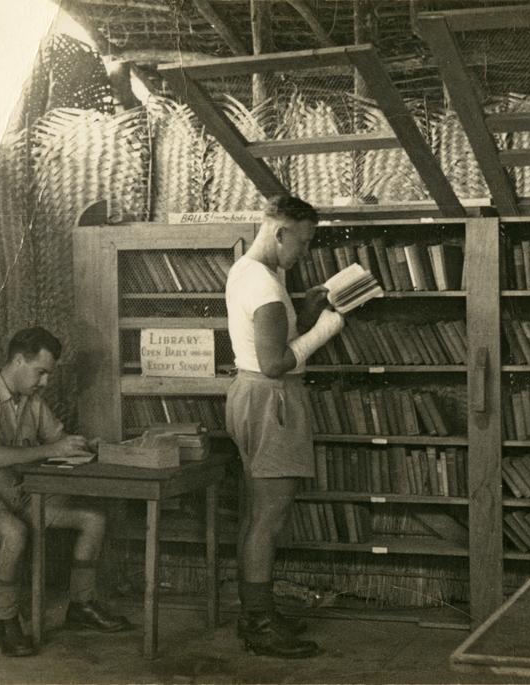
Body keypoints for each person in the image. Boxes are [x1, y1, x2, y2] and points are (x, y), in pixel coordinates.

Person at [0, 326, 131, 657]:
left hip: (20, 490)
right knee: (14, 532)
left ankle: (81, 605)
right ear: (19, 361)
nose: (45, 382)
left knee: (93, 520)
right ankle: (7, 622)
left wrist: (88, 446)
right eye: (41, 372)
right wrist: (54, 449)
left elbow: (58, 439)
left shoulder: (30, 401)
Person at [224, 195, 345, 659]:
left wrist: (308, 310)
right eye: (305, 241)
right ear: (280, 232)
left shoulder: (250, 271)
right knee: (269, 518)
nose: (306, 252)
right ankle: (259, 624)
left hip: (251, 394)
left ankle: (257, 613)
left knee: (258, 514)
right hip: (270, 397)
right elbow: (275, 362)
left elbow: (265, 350)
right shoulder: (266, 286)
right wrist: (326, 329)